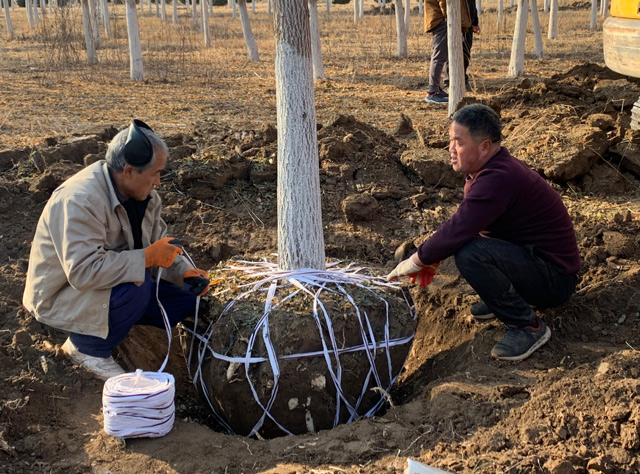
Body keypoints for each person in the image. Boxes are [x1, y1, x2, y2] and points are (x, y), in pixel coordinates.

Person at [387, 104, 580, 361]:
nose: (450, 149)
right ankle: (504, 297)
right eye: (450, 141)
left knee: (470, 253)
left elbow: (460, 227)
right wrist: (432, 257)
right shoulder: (491, 169)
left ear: (485, 147)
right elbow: (468, 224)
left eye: (458, 142)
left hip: (554, 280)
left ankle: (528, 327)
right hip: (537, 263)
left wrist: (416, 260)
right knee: (469, 244)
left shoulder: (499, 178)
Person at [23, 119, 211, 380]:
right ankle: (87, 348)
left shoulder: (144, 195)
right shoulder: (80, 200)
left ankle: (122, 324)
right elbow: (83, 272)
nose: (158, 181)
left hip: (110, 288)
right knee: (138, 284)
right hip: (63, 294)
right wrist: (146, 258)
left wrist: (185, 273)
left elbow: (159, 243)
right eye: (155, 173)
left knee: (186, 297)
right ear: (129, 170)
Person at [423, 0, 472, 104]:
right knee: (439, 56)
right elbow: (445, 2)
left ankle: (436, 90)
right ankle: (432, 92)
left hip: (442, 19)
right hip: (443, 21)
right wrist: (449, 17)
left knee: (440, 56)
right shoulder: (446, 19)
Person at [444, 0, 480, 92]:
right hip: (454, 24)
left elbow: (472, 6)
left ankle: (463, 80)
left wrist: (474, 23)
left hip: (468, 26)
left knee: (465, 54)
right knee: (452, 54)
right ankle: (450, 82)